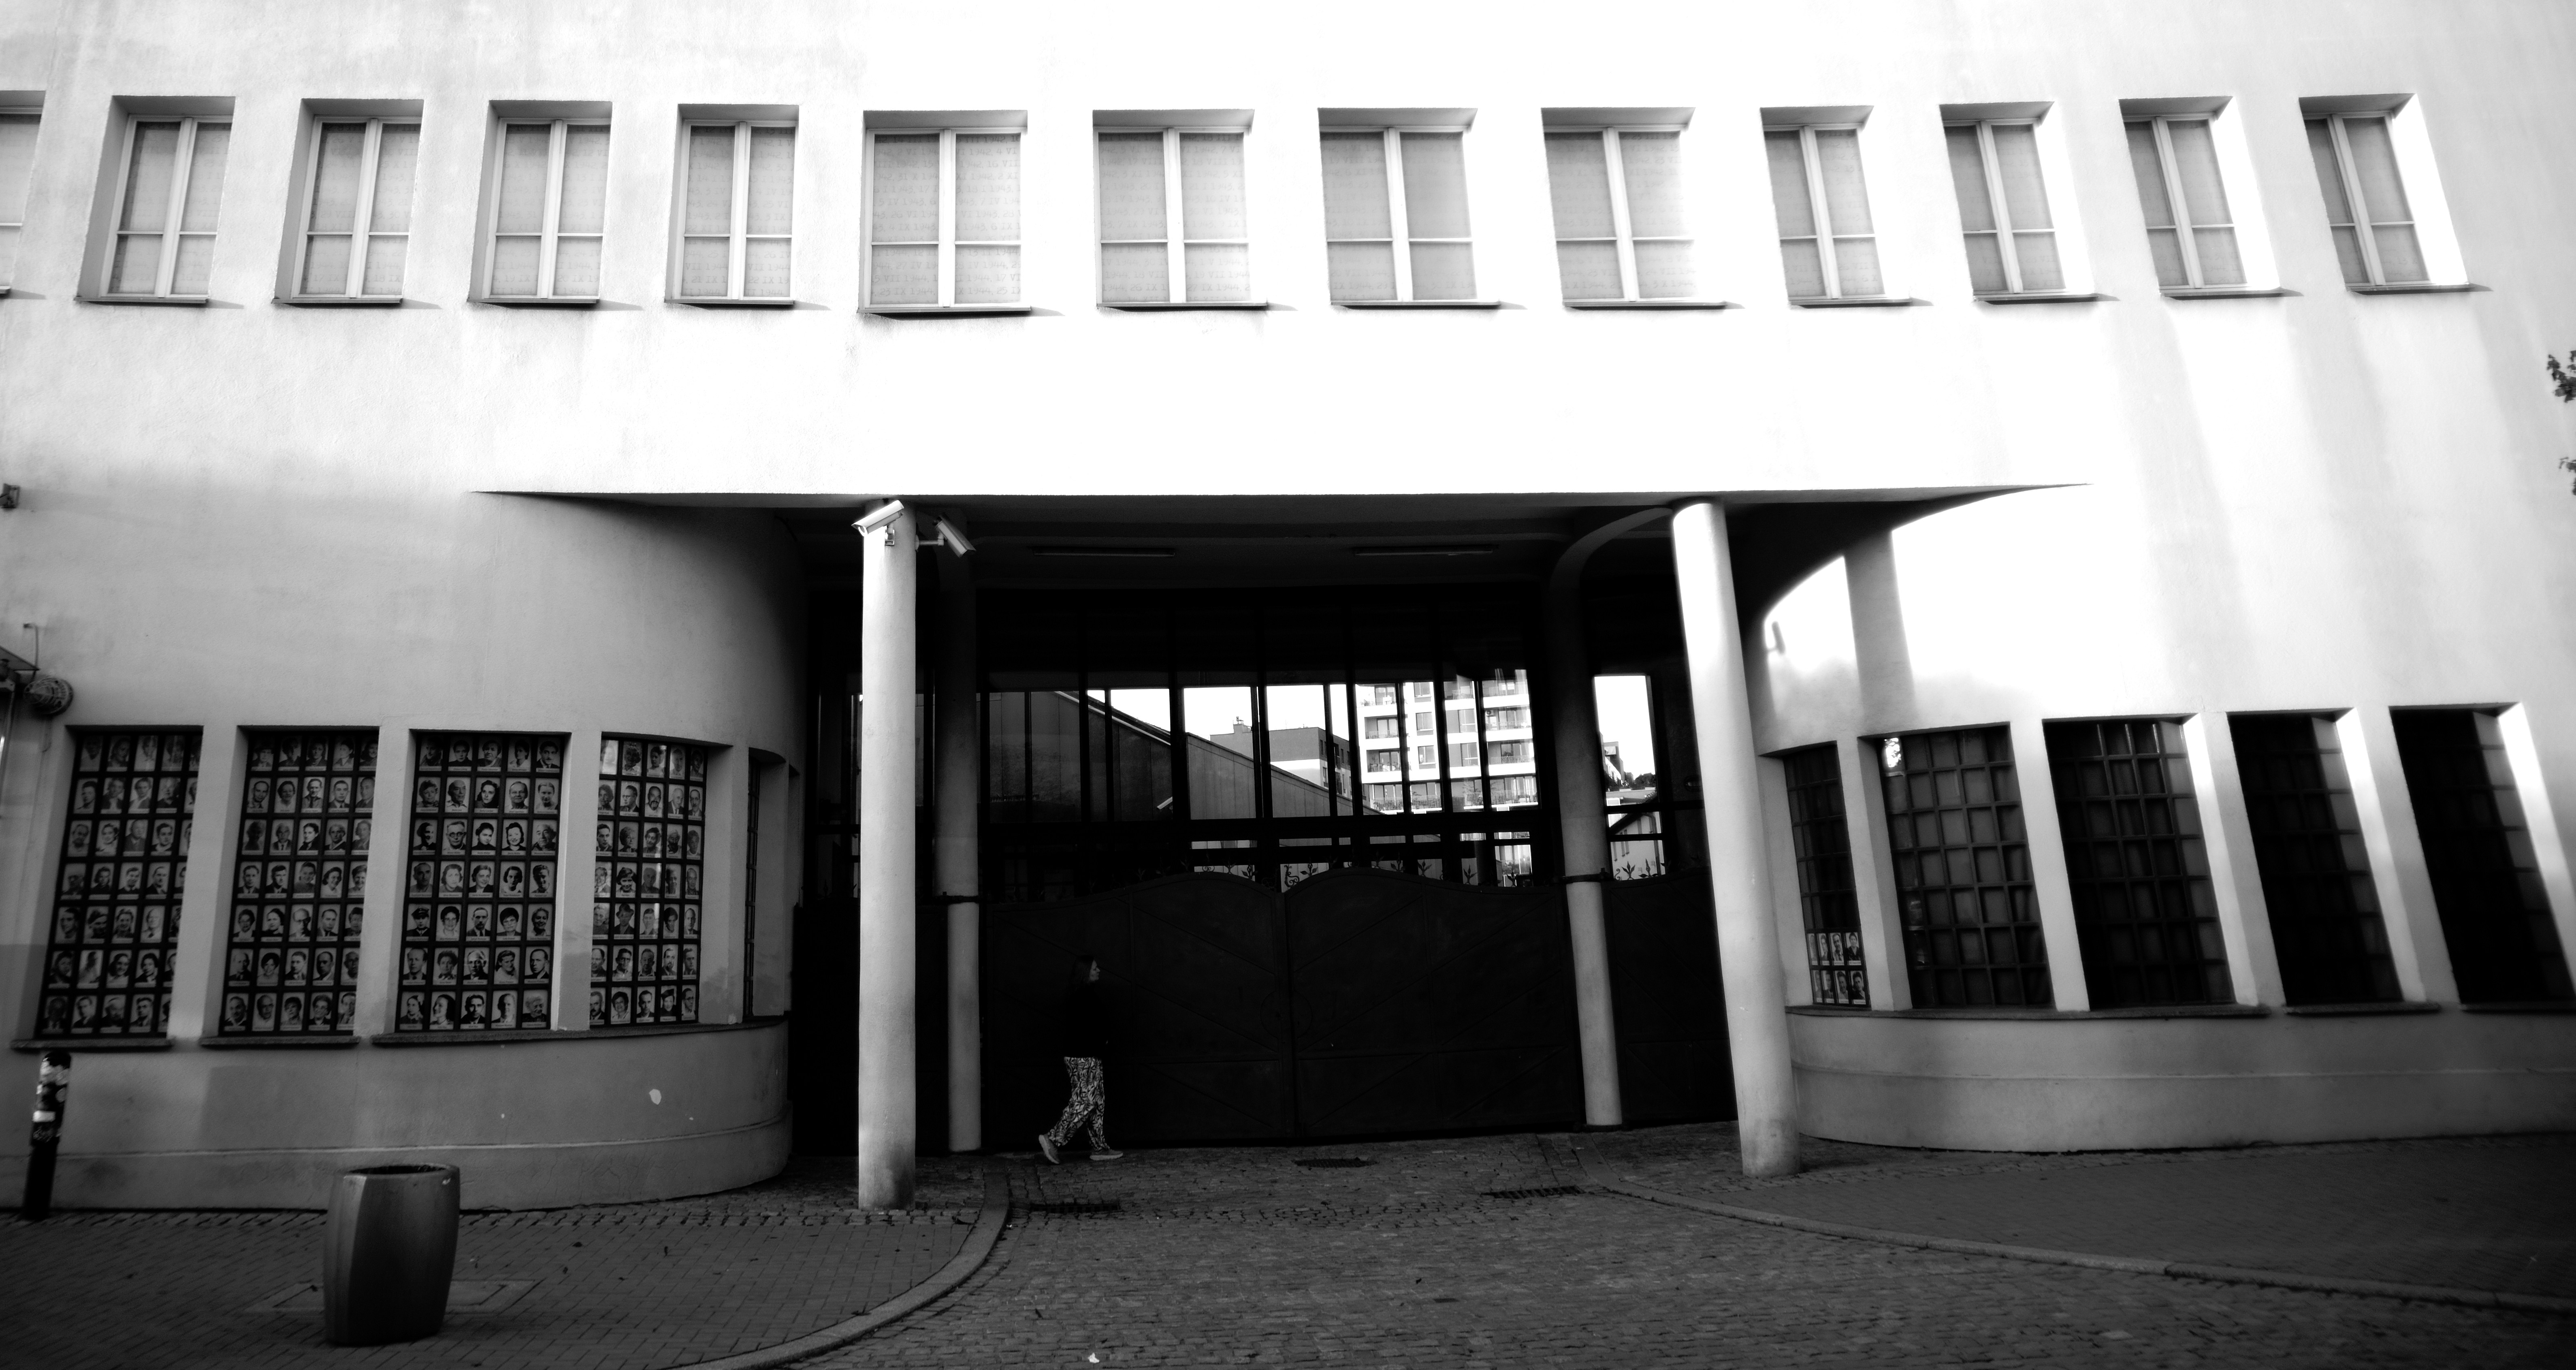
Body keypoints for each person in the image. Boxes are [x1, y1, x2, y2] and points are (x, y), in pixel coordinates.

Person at [1038, 954, 1122, 1163]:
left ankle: (1100, 1148)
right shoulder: (1082, 997)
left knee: (1097, 1102)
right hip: (1083, 1057)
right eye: (1095, 968)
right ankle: (1053, 1140)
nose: (1099, 970)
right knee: (1086, 1101)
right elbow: (1084, 1030)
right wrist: (1100, 1043)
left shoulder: (1085, 994)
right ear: (1085, 971)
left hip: (1088, 1056)